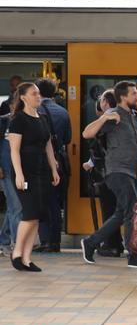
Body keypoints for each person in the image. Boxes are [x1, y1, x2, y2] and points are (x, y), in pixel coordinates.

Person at [81, 81, 137, 269]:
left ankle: (90, 242)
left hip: (131, 171)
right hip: (117, 171)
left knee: (122, 212)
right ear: (123, 97)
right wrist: (104, 118)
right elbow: (86, 134)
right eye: (134, 93)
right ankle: (134, 256)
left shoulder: (135, 117)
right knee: (131, 211)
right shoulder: (113, 115)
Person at [8, 82, 60, 272]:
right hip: (26, 171)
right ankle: (17, 253)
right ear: (23, 97)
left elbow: (48, 146)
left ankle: (27, 258)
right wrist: (19, 174)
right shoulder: (18, 120)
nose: (38, 96)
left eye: (39, 94)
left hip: (42, 171)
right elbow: (14, 150)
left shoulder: (43, 117)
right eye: (34, 94)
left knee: (37, 215)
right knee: (29, 213)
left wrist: (54, 169)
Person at [82, 89, 123, 257]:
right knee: (119, 209)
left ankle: (110, 244)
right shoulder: (123, 117)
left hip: (107, 172)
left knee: (110, 210)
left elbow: (99, 148)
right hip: (122, 171)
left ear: (106, 102)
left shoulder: (106, 121)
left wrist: (90, 163)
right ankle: (117, 243)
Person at [33, 78, 71, 253]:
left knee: (40, 201)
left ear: (38, 92)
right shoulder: (63, 112)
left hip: (39, 162)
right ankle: (55, 241)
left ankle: (45, 240)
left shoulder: (35, 110)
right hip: (58, 161)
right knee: (55, 203)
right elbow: (68, 139)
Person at [0, 97, 22, 256]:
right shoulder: (3, 122)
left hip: (21, 170)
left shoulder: (26, 121)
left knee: (14, 207)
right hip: (6, 170)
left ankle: (5, 240)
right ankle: (16, 243)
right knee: (16, 206)